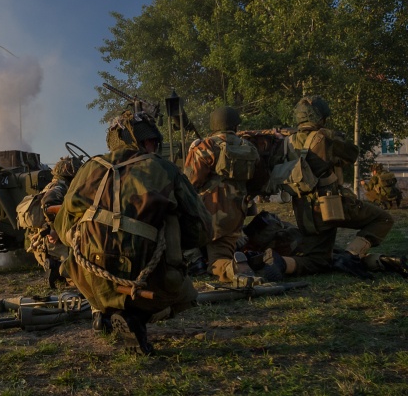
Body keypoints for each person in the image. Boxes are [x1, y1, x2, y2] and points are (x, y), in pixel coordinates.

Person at [53, 109, 212, 355]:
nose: (154, 146)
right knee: (188, 296)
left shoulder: (88, 169)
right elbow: (201, 230)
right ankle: (135, 317)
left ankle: (103, 311)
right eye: (152, 141)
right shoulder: (164, 169)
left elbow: (63, 228)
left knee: (85, 252)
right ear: (143, 141)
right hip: (146, 283)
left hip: (90, 279)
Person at [269, 95, 401, 278]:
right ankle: (352, 255)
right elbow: (352, 154)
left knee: (318, 260)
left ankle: (279, 264)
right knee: (383, 219)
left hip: (304, 211)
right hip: (332, 206)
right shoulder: (326, 137)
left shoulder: (285, 142)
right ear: (320, 117)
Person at [183, 106, 263, 284]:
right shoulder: (249, 147)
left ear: (214, 126)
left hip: (210, 216)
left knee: (216, 261)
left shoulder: (205, 147)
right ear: (235, 126)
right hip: (236, 214)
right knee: (223, 246)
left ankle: (233, 269)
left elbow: (188, 184)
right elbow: (258, 183)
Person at [21, 155, 83, 288]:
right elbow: (47, 205)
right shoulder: (59, 187)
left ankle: (57, 271)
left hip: (48, 244)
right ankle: (56, 270)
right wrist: (53, 229)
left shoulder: (57, 185)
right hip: (51, 244)